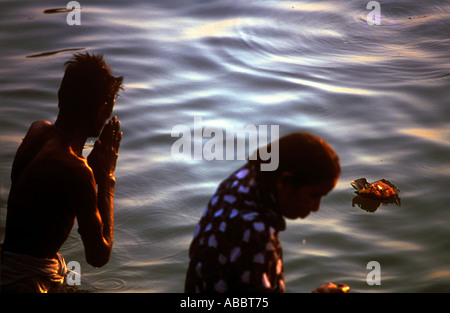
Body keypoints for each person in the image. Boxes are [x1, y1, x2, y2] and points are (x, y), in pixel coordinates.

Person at [0, 52, 123, 293]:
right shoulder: (77, 171)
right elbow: (99, 256)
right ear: (102, 110)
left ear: (60, 95)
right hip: (26, 284)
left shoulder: (37, 131)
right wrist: (106, 179)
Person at [185, 132, 349, 293]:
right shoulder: (256, 232)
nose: (316, 207)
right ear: (283, 181)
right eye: (313, 196)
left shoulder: (240, 181)